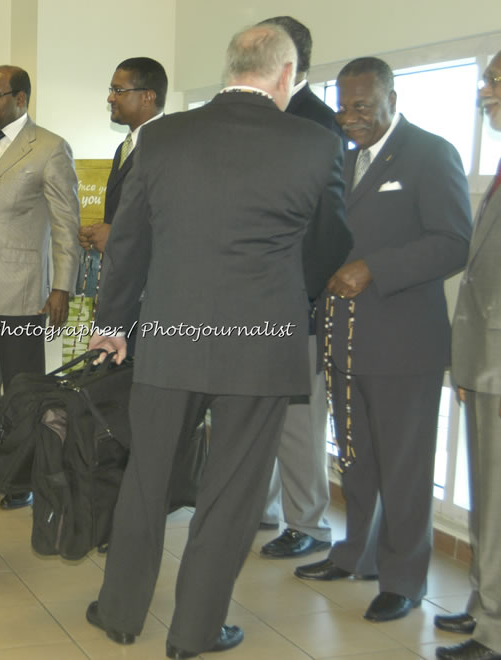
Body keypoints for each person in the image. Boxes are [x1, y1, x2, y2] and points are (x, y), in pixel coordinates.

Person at [84, 25, 351, 658]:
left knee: (147, 479)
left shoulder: (164, 137)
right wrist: (282, 296)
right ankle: (195, 632)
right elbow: (329, 246)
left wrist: (112, 324)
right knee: (231, 495)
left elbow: (130, 242)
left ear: (231, 68)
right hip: (261, 345)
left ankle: (120, 612)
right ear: (285, 75)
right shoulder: (316, 144)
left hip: (170, 337)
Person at [294, 57, 472, 623]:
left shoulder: (430, 153)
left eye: (363, 106)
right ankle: (356, 555)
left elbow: (453, 242)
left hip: (403, 346)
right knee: (356, 460)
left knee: (403, 470)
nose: (349, 117)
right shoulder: (344, 159)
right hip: (344, 341)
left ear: (392, 99)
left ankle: (403, 579)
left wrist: (375, 267)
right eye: (343, 107)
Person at [0, 64, 80, 510]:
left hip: (22, 292)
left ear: (20, 99)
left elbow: (66, 225)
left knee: (21, 391)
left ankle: (20, 480)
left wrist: (62, 287)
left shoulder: (49, 148)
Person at [255, 14, 347, 559]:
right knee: (261, 412)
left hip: (298, 304)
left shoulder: (318, 123)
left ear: (288, 63)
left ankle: (309, 524)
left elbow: (327, 228)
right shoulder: (265, 116)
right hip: (257, 299)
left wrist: (299, 294)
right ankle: (264, 509)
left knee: (299, 421)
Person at [434, 50, 501, 660]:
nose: (485, 91)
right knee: (488, 500)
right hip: (483, 364)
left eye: (496, 81)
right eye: (484, 80)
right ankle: (484, 605)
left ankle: (495, 632)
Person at [78, 57, 166, 255]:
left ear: (147, 97)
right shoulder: (124, 148)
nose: (110, 98)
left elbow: (174, 220)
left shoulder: (171, 147)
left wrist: (117, 236)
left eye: (118, 91)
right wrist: (96, 234)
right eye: (111, 90)